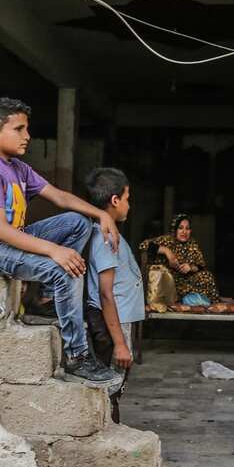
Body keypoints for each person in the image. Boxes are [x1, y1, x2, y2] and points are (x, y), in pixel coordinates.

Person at [0, 97, 120, 389]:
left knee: (78, 222)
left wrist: (100, 215)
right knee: (63, 268)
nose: (27, 136)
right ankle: (78, 356)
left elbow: (59, 197)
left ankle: (45, 297)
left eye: (26, 129)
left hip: (7, 242)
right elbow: (1, 231)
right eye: (19, 129)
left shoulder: (16, 167)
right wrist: (54, 250)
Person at [83, 167, 143, 423]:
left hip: (121, 318)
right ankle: (108, 431)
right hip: (114, 322)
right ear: (115, 200)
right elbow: (106, 294)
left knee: (116, 383)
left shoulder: (109, 232)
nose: (129, 205)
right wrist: (120, 343)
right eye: (127, 198)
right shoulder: (106, 237)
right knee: (112, 384)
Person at [139, 213, 218, 303]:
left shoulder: (192, 244)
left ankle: (208, 303)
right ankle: (188, 299)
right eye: (180, 228)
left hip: (187, 281)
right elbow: (143, 245)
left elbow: (200, 266)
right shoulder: (167, 240)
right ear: (175, 229)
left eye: (187, 228)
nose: (184, 232)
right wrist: (166, 251)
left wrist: (190, 268)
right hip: (170, 282)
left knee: (206, 276)